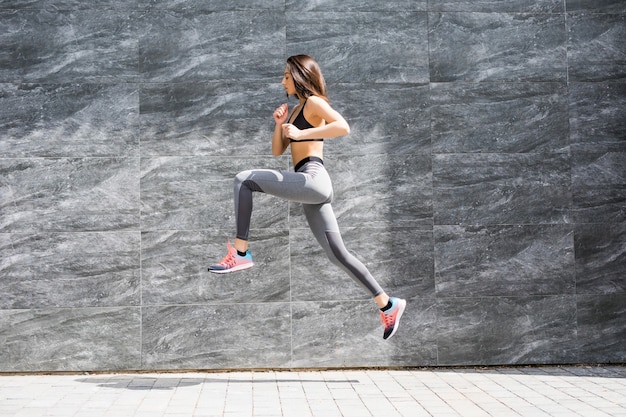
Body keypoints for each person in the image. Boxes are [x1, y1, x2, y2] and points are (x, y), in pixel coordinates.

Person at [209, 54, 406, 340]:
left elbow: (343, 126)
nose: (282, 81)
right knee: (338, 255)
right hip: (310, 184)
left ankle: (240, 253)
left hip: (314, 177)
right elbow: (278, 151)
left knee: (244, 180)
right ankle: (388, 304)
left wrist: (302, 133)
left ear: (299, 76)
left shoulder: (313, 102)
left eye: (286, 76)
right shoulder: (297, 109)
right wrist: (281, 124)